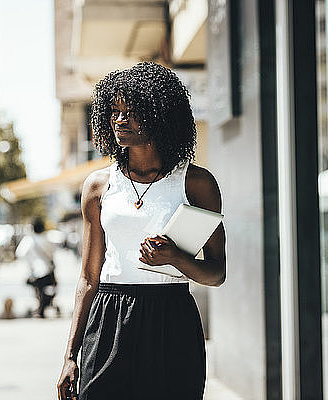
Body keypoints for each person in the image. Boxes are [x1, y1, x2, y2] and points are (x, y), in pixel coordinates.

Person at [57, 62, 226, 400]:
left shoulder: (196, 183)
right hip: (109, 315)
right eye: (115, 111)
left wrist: (175, 258)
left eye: (131, 112)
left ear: (161, 115)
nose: (120, 119)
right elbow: (88, 278)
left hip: (171, 318)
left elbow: (216, 273)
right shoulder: (98, 186)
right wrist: (70, 356)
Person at [15, 217, 59, 318]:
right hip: (48, 269)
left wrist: (30, 262)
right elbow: (53, 252)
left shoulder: (29, 240)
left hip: (35, 271)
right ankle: (42, 308)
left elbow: (20, 254)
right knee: (47, 290)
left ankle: (40, 309)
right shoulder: (47, 239)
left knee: (38, 291)